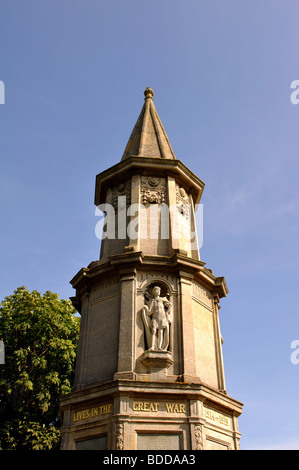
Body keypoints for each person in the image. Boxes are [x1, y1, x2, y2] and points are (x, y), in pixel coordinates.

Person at [142, 286, 172, 351]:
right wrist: (146, 309)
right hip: (155, 318)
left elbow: (170, 305)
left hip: (162, 317)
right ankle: (152, 346)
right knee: (153, 331)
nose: (157, 291)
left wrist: (166, 313)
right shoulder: (152, 301)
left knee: (160, 332)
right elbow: (150, 312)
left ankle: (159, 347)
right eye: (156, 290)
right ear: (153, 292)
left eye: (158, 290)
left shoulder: (162, 299)